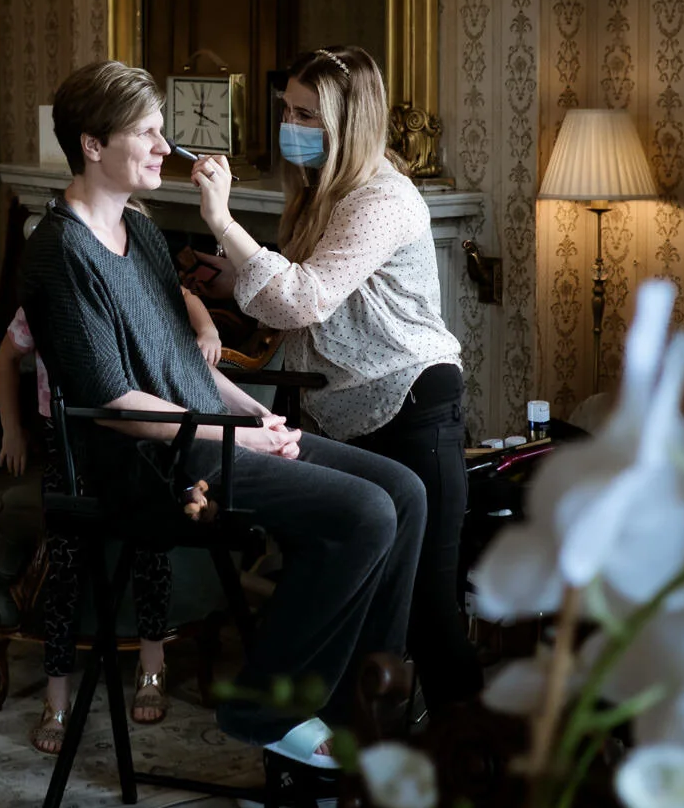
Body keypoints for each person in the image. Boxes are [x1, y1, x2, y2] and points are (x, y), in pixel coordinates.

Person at [19, 60, 424, 766]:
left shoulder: (141, 231)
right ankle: (263, 705)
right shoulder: (59, 250)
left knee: (404, 491)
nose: (164, 146)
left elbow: (187, 364)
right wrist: (240, 435)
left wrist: (256, 417)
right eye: (147, 132)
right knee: (364, 514)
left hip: (205, 439)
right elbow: (117, 405)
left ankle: (357, 708)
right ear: (92, 144)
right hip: (148, 466)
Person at [188, 45, 482, 710]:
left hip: (413, 404)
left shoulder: (384, 198)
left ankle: (478, 759)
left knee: (429, 613)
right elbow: (302, 290)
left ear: (350, 122)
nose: (289, 126)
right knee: (360, 600)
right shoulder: (322, 192)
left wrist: (223, 221)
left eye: (306, 115)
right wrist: (228, 277)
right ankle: (355, 748)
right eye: (287, 109)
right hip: (345, 412)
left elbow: (303, 300)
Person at [0, 291, 223, 753]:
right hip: (66, 441)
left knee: (150, 543)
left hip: (134, 432)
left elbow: (182, 294)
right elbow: (6, 357)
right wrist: (11, 429)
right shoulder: (47, 295)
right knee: (64, 562)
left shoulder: (130, 281)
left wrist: (208, 329)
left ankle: (152, 666)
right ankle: (56, 696)